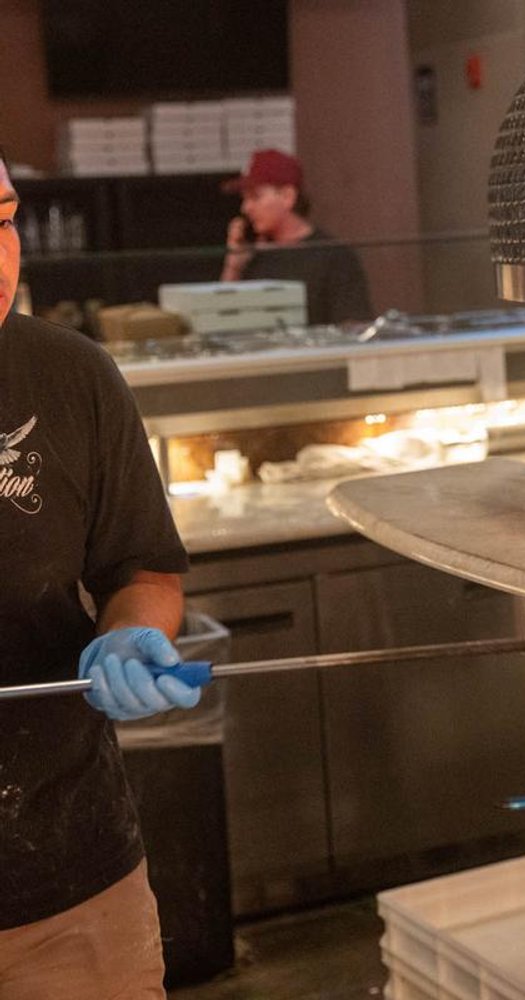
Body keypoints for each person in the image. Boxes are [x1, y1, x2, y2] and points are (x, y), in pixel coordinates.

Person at [0, 151, 202, 999]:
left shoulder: (72, 375)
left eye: (3, 219)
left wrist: (134, 630)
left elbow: (143, 566)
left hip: (69, 877)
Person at [220, 148, 373, 325]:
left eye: (255, 197)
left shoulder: (332, 256)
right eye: (244, 199)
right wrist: (233, 267)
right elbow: (224, 320)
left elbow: (354, 326)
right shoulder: (253, 256)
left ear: (287, 197)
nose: (246, 208)